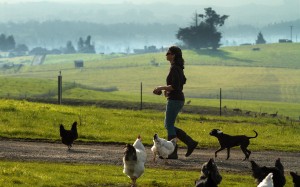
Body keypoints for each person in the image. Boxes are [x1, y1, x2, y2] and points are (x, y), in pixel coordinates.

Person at [153, 46, 198, 159]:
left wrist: (160, 88)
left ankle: (173, 152)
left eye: (168, 53)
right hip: (176, 98)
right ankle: (190, 142)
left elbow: (175, 86)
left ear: (173, 55)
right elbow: (180, 83)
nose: (166, 55)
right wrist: (166, 91)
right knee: (168, 125)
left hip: (175, 99)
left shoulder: (175, 68)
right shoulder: (177, 67)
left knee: (169, 125)